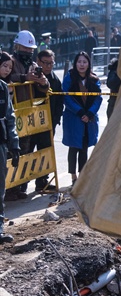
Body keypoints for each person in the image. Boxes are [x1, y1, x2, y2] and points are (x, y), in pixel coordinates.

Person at [9, 30, 50, 199]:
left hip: (28, 114)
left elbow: (45, 86)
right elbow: (6, 76)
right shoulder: (9, 61)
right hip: (12, 112)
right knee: (12, 151)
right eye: (25, 48)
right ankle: (9, 189)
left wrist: (42, 82)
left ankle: (20, 187)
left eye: (30, 49)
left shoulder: (33, 65)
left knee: (25, 150)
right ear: (17, 46)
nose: (28, 52)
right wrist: (24, 77)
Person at [62, 51, 102, 186]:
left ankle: (82, 177)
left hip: (88, 120)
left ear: (88, 64)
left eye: (84, 62)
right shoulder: (69, 78)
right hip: (74, 118)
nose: (82, 64)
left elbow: (98, 98)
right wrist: (79, 112)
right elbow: (66, 97)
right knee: (73, 148)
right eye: (79, 62)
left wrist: (90, 114)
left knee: (84, 148)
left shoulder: (94, 80)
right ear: (75, 63)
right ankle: (73, 177)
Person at [31, 49, 64, 192]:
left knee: (45, 152)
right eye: (45, 63)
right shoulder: (32, 78)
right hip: (31, 122)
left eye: (51, 63)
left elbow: (59, 101)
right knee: (28, 152)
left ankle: (42, 181)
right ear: (38, 62)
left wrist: (55, 120)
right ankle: (21, 186)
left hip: (48, 123)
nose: (48, 66)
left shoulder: (55, 80)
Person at [0, 53, 20, 243]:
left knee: (0, 188)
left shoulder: (4, 88)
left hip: (1, 142)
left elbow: (10, 117)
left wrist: (15, 145)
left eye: (9, 67)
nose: (7, 70)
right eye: (4, 66)